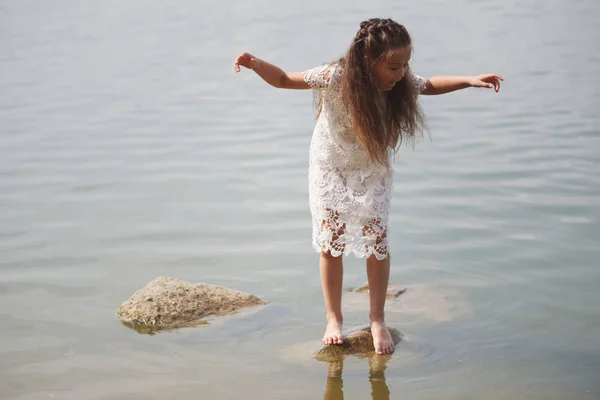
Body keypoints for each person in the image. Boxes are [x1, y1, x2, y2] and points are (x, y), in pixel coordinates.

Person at [233, 17, 503, 355]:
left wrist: (469, 80)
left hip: (371, 169)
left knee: (377, 240)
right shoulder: (335, 77)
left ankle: (377, 319)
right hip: (330, 166)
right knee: (331, 242)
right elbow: (286, 79)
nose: (401, 74)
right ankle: (334, 318)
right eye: (393, 67)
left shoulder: (401, 82)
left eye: (405, 65)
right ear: (368, 61)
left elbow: (429, 85)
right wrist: (254, 63)